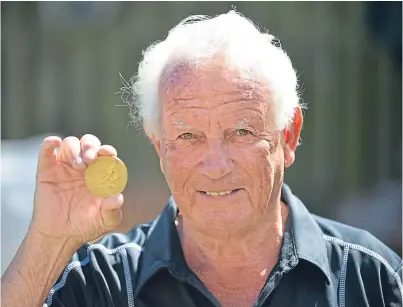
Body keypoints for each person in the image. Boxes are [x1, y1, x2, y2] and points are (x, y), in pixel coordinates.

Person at [2, 11, 402, 307]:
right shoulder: (104, 283)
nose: (215, 165)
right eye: (188, 136)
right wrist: (48, 242)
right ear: (159, 146)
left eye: (241, 132)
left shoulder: (372, 279)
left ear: (289, 135)